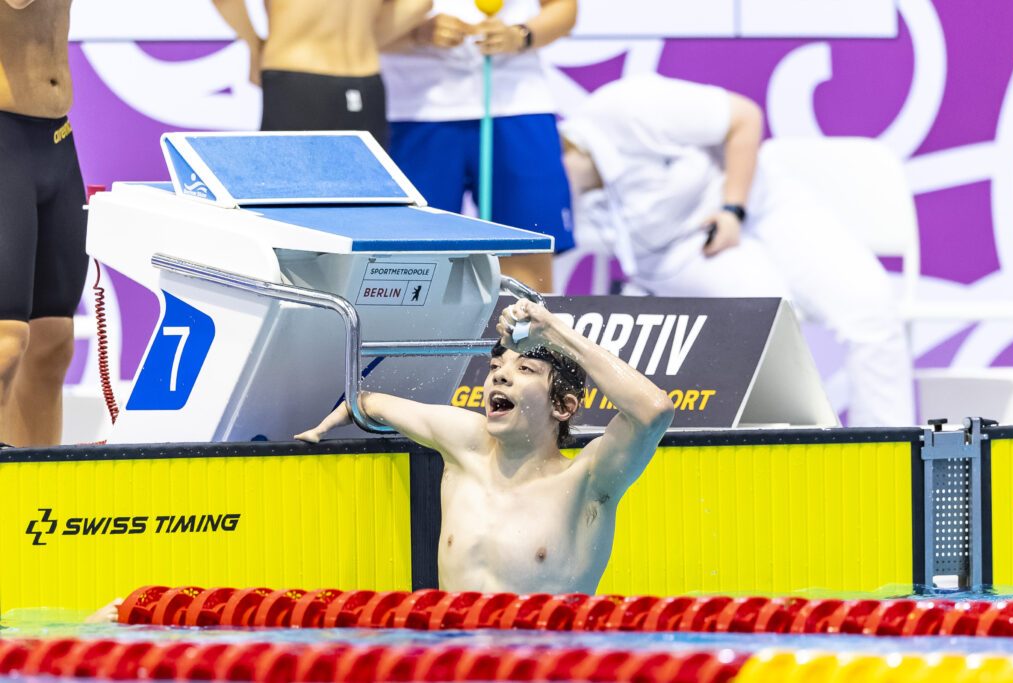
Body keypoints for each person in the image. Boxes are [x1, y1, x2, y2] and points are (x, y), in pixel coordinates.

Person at [559, 73, 915, 428]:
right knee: (770, 320)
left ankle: (894, 446)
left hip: (759, 204)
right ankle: (805, 447)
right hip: (683, 254)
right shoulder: (560, 202)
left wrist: (733, 209)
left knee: (870, 306)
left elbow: (745, 117)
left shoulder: (624, 109)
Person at [297, 298, 674, 593]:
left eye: (525, 369)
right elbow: (373, 402)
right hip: (459, 659)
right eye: (495, 367)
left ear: (562, 406)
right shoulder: (465, 447)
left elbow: (654, 410)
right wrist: (346, 410)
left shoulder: (587, 481)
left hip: (544, 663)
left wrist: (554, 332)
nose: (501, 376)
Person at [380, 0, 577, 292]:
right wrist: (415, 32)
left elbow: (564, 7)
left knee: (526, 268)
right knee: (412, 270)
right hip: (416, 108)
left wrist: (521, 35)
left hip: (517, 102)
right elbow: (359, 25)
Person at [0, 0, 89, 447]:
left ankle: (36, 484)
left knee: (53, 343)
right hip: (4, 140)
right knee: (5, 344)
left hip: (55, 137)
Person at [212, 0, 432, 147]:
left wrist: (255, 47)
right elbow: (418, 4)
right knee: (366, 196)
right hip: (366, 81)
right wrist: (365, 38)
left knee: (286, 195)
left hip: (298, 75)